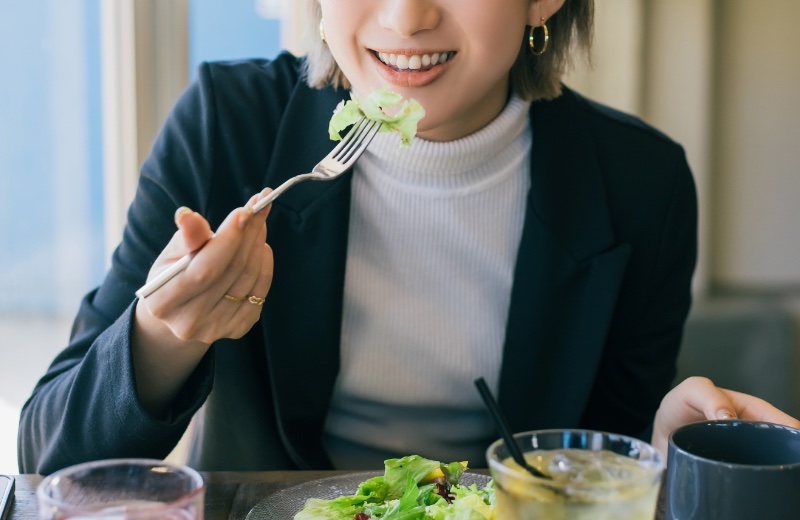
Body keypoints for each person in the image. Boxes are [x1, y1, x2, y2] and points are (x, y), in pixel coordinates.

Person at [18, 0, 798, 474]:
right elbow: (49, 457)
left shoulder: (641, 184)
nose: (406, 19)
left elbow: (601, 463)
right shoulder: (228, 126)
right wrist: (161, 336)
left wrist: (664, 450)